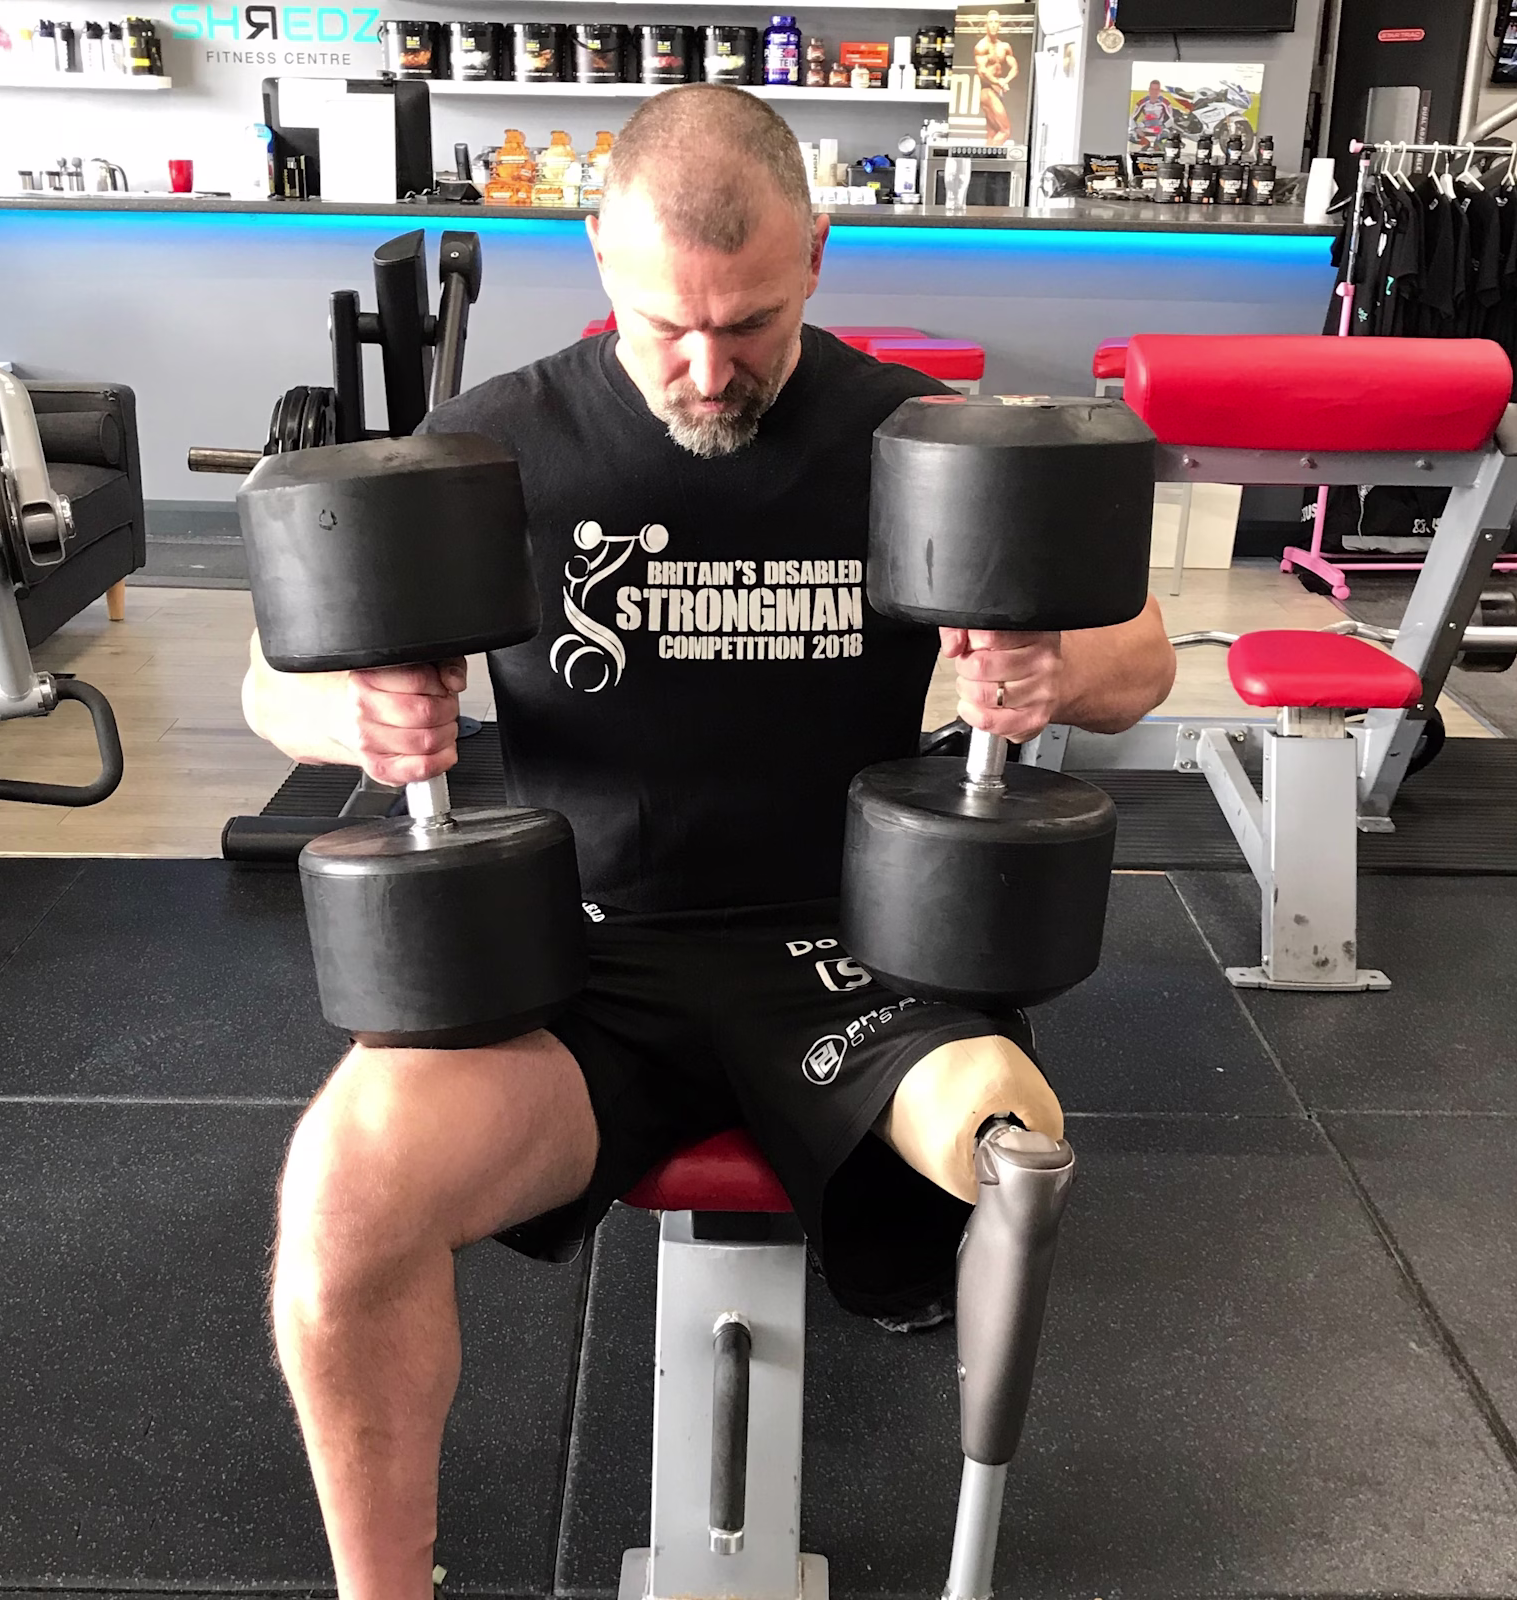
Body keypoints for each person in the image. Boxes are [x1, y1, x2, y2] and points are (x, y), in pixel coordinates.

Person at [241, 85, 1176, 1600]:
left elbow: (1143, 653)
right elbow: (268, 681)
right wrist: (360, 713)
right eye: (666, 321)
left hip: (859, 953)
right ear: (598, 255)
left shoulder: (906, 436)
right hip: (583, 959)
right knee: (345, 1197)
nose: (704, 364)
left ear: (817, 254)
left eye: (745, 322)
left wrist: (1054, 670)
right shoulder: (493, 443)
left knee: (1020, 1152)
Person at [972, 10, 1019, 147]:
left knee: (992, 133)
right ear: (985, 24)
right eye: (990, 22)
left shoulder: (1005, 47)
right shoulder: (981, 47)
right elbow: (982, 71)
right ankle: (987, 160)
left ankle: (984, 165)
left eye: (996, 22)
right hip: (987, 91)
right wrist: (999, 82)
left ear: (1000, 25)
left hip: (998, 91)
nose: (993, 25)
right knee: (1005, 131)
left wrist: (1005, 81)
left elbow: (1015, 68)